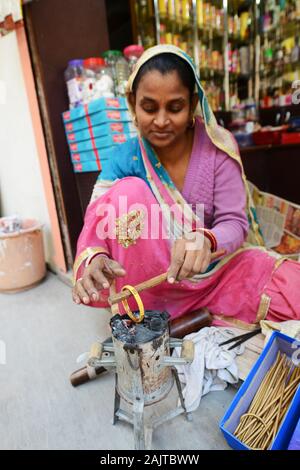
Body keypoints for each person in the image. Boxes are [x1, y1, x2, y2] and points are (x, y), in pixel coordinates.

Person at [72, 45, 300, 328]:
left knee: (291, 287)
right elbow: (97, 225)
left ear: (192, 103)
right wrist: (96, 259)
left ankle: (183, 318)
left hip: (217, 276)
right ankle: (151, 318)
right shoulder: (126, 157)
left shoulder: (217, 148)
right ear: (132, 102)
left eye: (175, 107)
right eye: (149, 107)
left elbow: (234, 223)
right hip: (152, 287)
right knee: (128, 193)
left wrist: (206, 239)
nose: (162, 120)